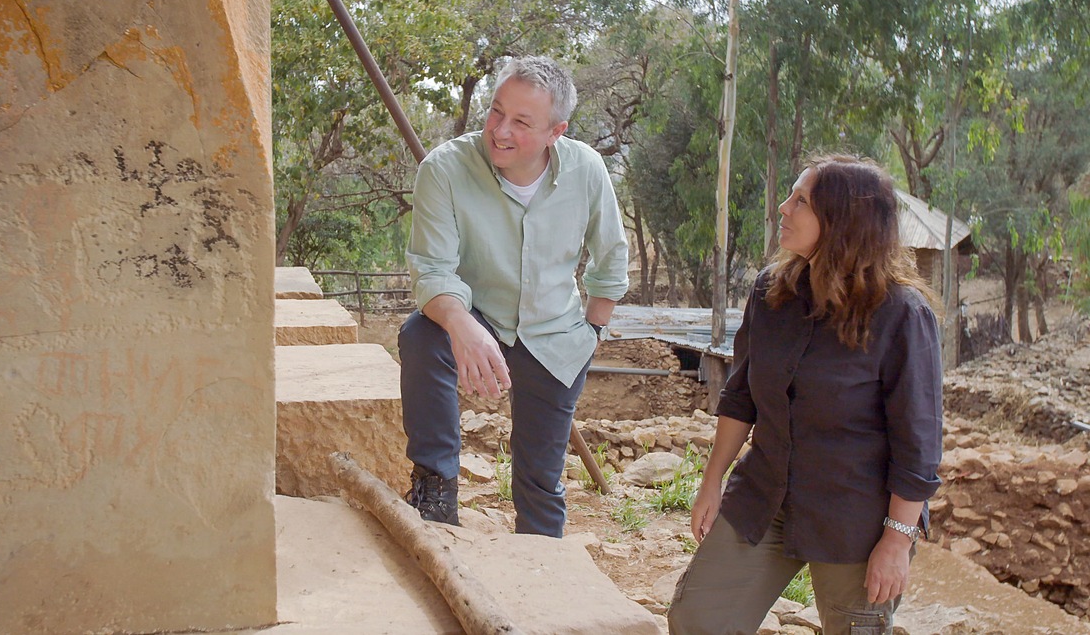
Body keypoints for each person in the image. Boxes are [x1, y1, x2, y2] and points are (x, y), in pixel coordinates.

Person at [666, 155, 943, 634]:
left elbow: (917, 443)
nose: (782, 207)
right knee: (697, 619)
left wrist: (896, 541)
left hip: (856, 517)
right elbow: (740, 397)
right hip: (764, 496)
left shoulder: (902, 315)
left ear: (841, 222)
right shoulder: (772, 292)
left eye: (801, 201)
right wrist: (712, 482)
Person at [398, 55, 629, 538]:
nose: (500, 131)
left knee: (540, 486)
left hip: (556, 336)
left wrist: (592, 331)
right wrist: (463, 328)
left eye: (521, 122)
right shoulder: (444, 169)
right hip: (476, 316)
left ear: (555, 131)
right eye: (495, 112)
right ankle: (435, 489)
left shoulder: (586, 170)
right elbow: (433, 270)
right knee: (421, 336)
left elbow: (610, 258)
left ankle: (543, 583)